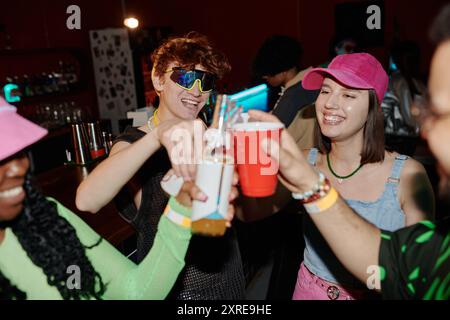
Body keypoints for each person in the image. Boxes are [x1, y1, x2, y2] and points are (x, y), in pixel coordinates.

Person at [250, 3, 450, 300]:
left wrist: (312, 188)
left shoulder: (408, 175)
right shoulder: (307, 159)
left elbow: (408, 275)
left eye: (348, 94)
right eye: (326, 91)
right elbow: (253, 212)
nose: (330, 103)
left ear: (373, 107)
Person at [0, 97, 238, 299]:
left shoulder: (42, 220)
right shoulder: (131, 140)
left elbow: (135, 291)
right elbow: (88, 199)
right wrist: (155, 137)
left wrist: (183, 206)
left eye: (18, 153)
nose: (18, 168)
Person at [76, 32, 245, 299]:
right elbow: (88, 200)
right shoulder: (136, 141)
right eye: (185, 77)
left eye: (206, 81)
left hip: (227, 277)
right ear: (158, 80)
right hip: (174, 287)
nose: (196, 91)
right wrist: (158, 135)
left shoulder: (213, 136)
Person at [252, 35, 319, 127]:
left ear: (282, 71)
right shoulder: (313, 81)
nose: (265, 77)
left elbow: (271, 129)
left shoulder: (292, 96)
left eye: (268, 74)